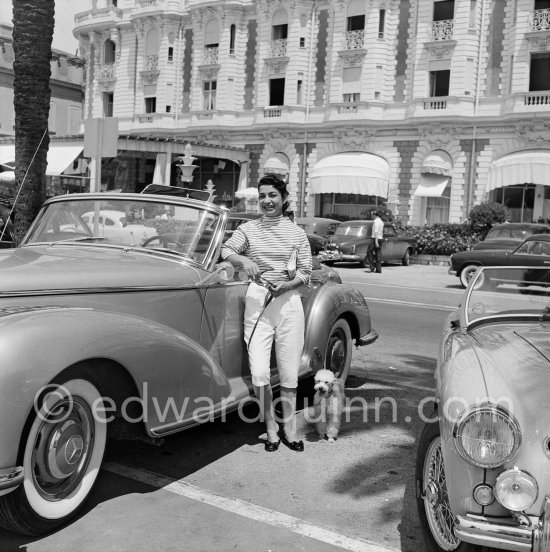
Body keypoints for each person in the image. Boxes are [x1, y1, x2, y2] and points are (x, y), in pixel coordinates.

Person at [221, 174, 312, 452]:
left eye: (272, 195)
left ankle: (290, 428)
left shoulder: (296, 232)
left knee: (288, 373)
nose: (266, 201)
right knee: (259, 372)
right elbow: (226, 250)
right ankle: (270, 426)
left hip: (288, 302)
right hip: (258, 300)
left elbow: (305, 272)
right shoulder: (248, 229)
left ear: (284, 198)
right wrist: (244, 259)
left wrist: (289, 284)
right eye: (262, 196)